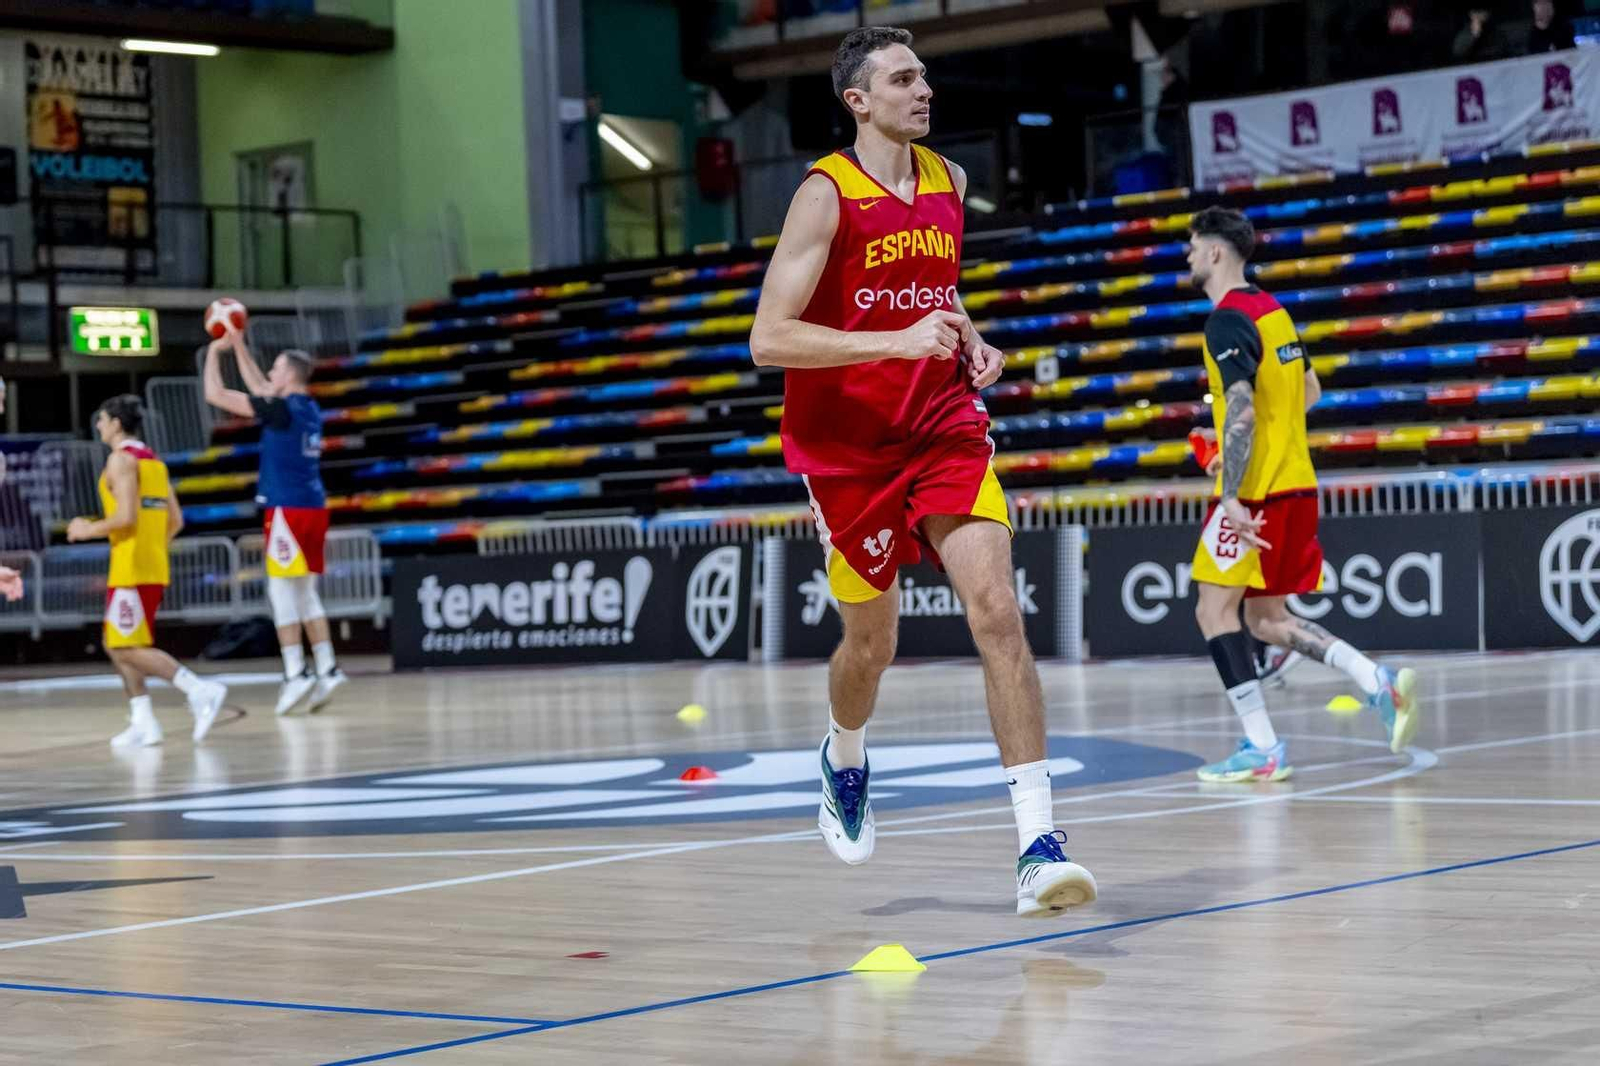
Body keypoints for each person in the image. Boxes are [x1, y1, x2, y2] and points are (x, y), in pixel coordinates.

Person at [748, 26, 1095, 918]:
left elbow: (937, 291)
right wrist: (892, 342)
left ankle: (1038, 845)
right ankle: (846, 753)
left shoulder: (950, 182)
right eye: (903, 79)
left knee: (1000, 615)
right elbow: (767, 340)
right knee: (873, 647)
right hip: (846, 452)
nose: (924, 89)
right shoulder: (824, 196)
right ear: (857, 100)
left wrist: (968, 336)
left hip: (942, 426)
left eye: (925, 75)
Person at [1185, 206, 1419, 783]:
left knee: (1214, 610)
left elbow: (1239, 412)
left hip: (1255, 494)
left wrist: (1232, 490)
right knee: (1266, 619)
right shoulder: (1276, 314)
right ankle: (1374, 680)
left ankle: (1262, 746)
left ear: (1215, 252)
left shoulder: (1226, 319)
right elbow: (1309, 391)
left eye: (1192, 246)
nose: (1188, 256)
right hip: (1297, 484)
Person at [67, 395, 228, 746]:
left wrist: (85, 529)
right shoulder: (154, 463)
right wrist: (152, 545)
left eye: (101, 419)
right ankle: (143, 720)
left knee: (124, 646)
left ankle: (198, 689)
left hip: (131, 565)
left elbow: (125, 516)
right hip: (152, 562)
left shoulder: (121, 461)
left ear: (115, 424)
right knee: (118, 643)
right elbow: (176, 520)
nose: (98, 426)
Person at [203, 327, 346, 716]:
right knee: (306, 594)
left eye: (276, 369)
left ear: (289, 376)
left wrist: (226, 349)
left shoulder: (281, 410)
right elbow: (238, 392)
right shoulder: (308, 410)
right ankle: (328, 666)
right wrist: (227, 350)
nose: (270, 373)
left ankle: (295, 673)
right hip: (314, 507)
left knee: (282, 594)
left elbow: (227, 392)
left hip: (287, 509)